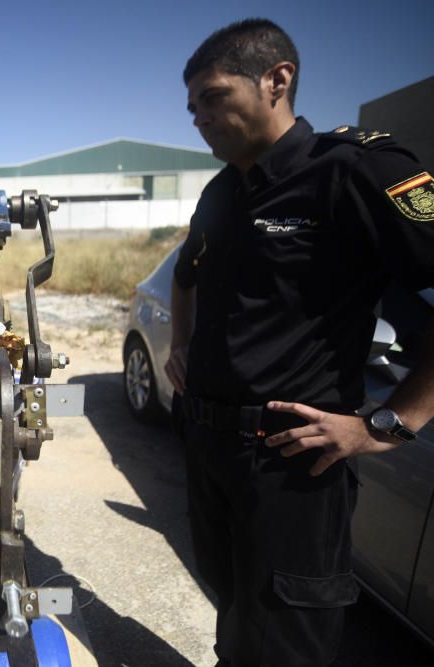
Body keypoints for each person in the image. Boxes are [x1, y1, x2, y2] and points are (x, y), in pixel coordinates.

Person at [166, 18, 434, 666]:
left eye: (212, 97)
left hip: (290, 465)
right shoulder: (223, 190)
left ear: (276, 80)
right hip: (212, 452)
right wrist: (180, 344)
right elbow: (185, 273)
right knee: (235, 614)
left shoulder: (353, 172)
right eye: (191, 106)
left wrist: (388, 424)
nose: (197, 118)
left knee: (287, 643)